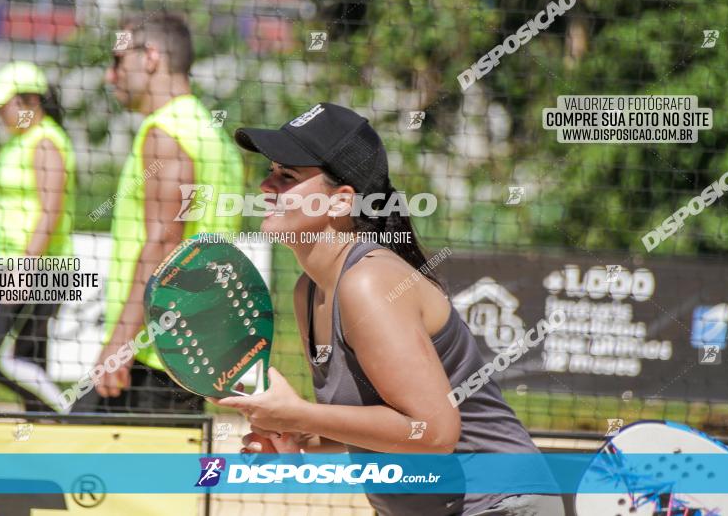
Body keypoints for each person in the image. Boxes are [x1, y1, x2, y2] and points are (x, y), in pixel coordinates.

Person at [216, 103, 563, 515]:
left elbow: (434, 433)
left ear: (340, 202)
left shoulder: (370, 283)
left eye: (286, 176)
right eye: (271, 171)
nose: (265, 186)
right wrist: (301, 436)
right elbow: (381, 428)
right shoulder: (308, 291)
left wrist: (303, 415)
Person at [73, 12, 244, 413]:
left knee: (75, 456)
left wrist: (120, 345)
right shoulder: (211, 134)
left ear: (150, 57)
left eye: (117, 61)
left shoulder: (165, 132)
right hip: (190, 348)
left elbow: (166, 240)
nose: (108, 76)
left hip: (152, 353)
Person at [0, 61, 75, 413]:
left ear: (30, 101)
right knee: (28, 356)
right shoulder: (15, 143)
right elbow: (6, 197)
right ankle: (43, 426)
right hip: (14, 263)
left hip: (41, 267)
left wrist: (26, 264)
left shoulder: (46, 142)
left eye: (3, 106)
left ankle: (63, 412)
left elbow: (50, 209)